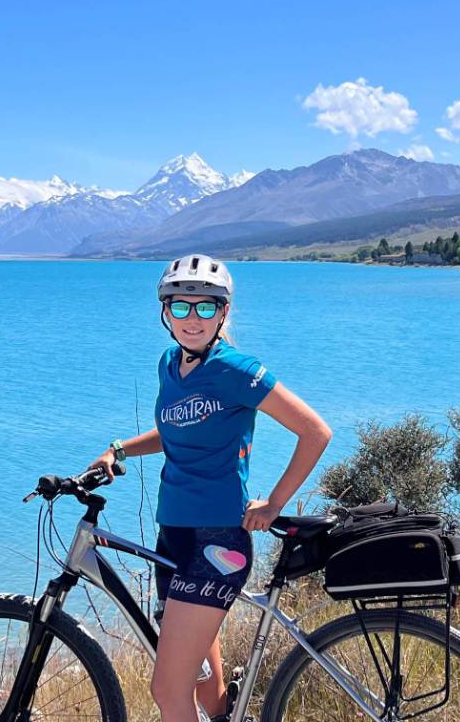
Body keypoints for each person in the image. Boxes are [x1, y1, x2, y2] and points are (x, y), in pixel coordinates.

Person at [85, 254, 332, 722]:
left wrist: (274, 503)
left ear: (223, 313)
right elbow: (175, 431)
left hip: (218, 541)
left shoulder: (236, 370)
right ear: (165, 313)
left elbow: (315, 431)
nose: (192, 319)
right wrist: (118, 449)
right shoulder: (169, 366)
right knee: (201, 682)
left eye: (205, 307)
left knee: (166, 690)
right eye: (181, 307)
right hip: (173, 534)